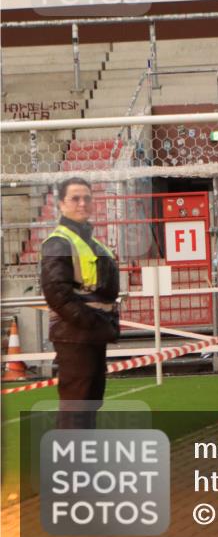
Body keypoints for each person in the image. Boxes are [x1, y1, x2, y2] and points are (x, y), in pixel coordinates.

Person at [40, 177, 120, 429]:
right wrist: (89, 320)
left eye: (87, 197)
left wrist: (103, 322)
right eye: (75, 198)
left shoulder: (93, 243)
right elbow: (56, 292)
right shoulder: (59, 242)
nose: (82, 203)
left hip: (91, 332)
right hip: (76, 333)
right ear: (61, 204)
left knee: (90, 403)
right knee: (77, 405)